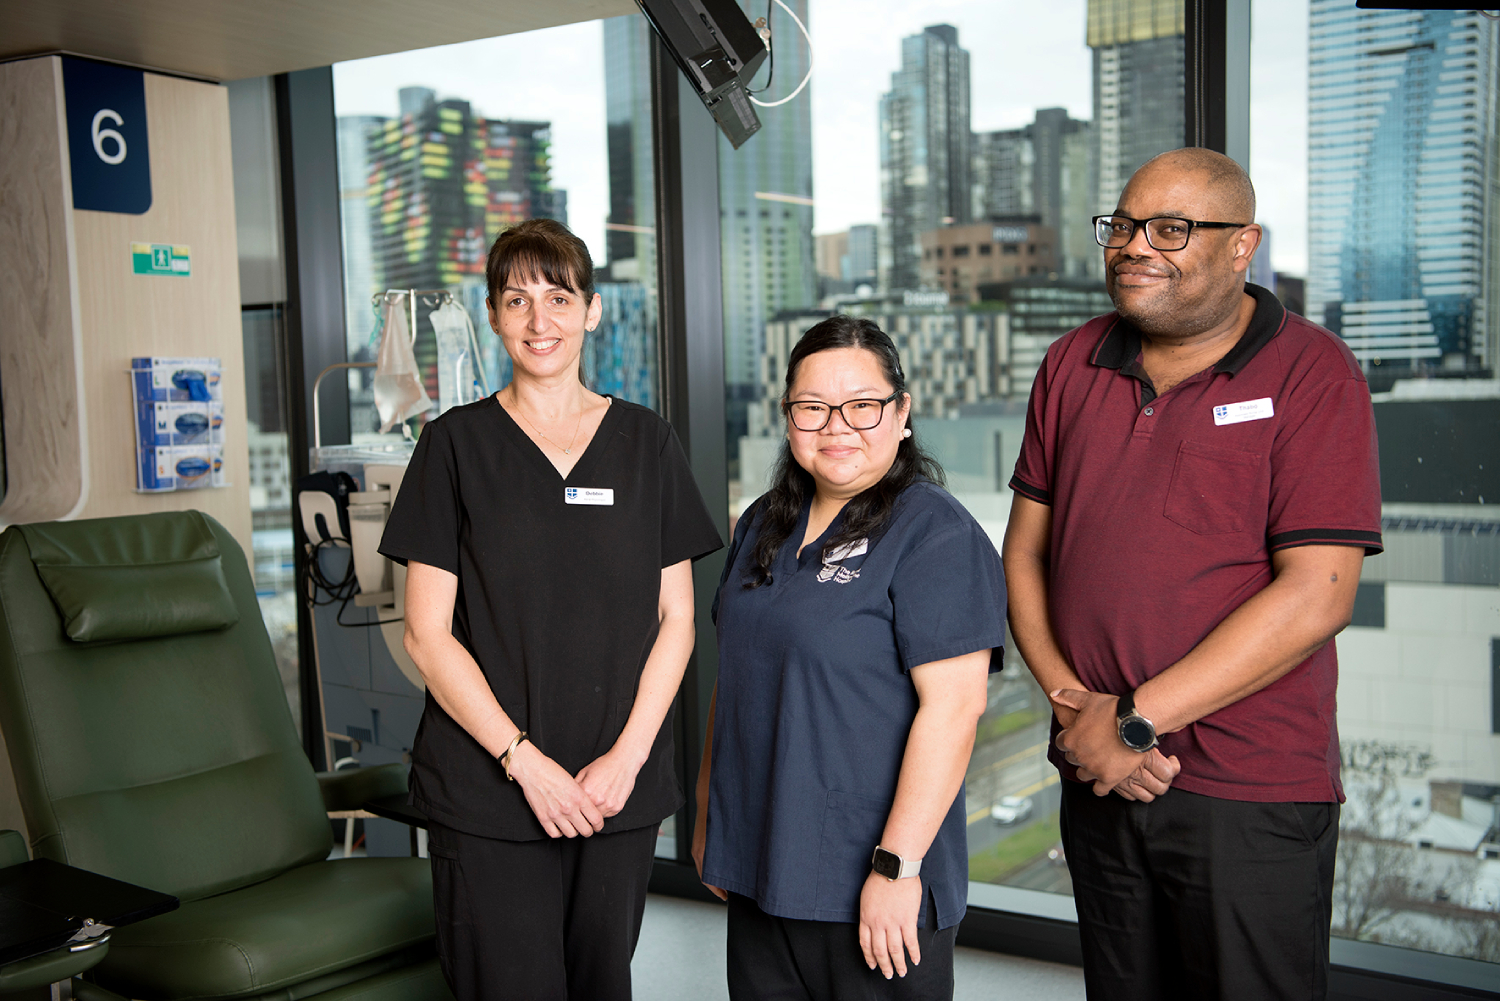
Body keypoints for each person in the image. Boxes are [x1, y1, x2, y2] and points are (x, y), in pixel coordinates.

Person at [1003, 148, 1383, 999]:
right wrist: (1079, 714)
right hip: (1097, 771)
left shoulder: (1314, 374)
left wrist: (1133, 722)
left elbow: (1318, 595)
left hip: (1246, 790)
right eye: (1125, 225)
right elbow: (1025, 553)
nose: (1137, 245)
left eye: (1172, 228)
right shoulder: (1071, 362)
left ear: (1243, 245)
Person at [378, 218, 723, 1001]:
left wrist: (629, 760)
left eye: (559, 297)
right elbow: (427, 636)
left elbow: (677, 620)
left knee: (603, 984)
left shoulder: (648, 444)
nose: (541, 320)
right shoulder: (452, 447)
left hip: (614, 788)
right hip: (490, 789)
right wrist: (523, 762)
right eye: (517, 299)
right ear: (494, 316)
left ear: (592, 310)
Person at [695, 316, 1007, 1001]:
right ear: (788, 418)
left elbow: (954, 709)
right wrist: (708, 821)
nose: (837, 425)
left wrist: (896, 869)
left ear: (901, 413)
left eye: (862, 405)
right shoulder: (761, 524)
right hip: (759, 868)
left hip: (870, 890)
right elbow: (738, 678)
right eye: (812, 407)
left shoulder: (935, 534)